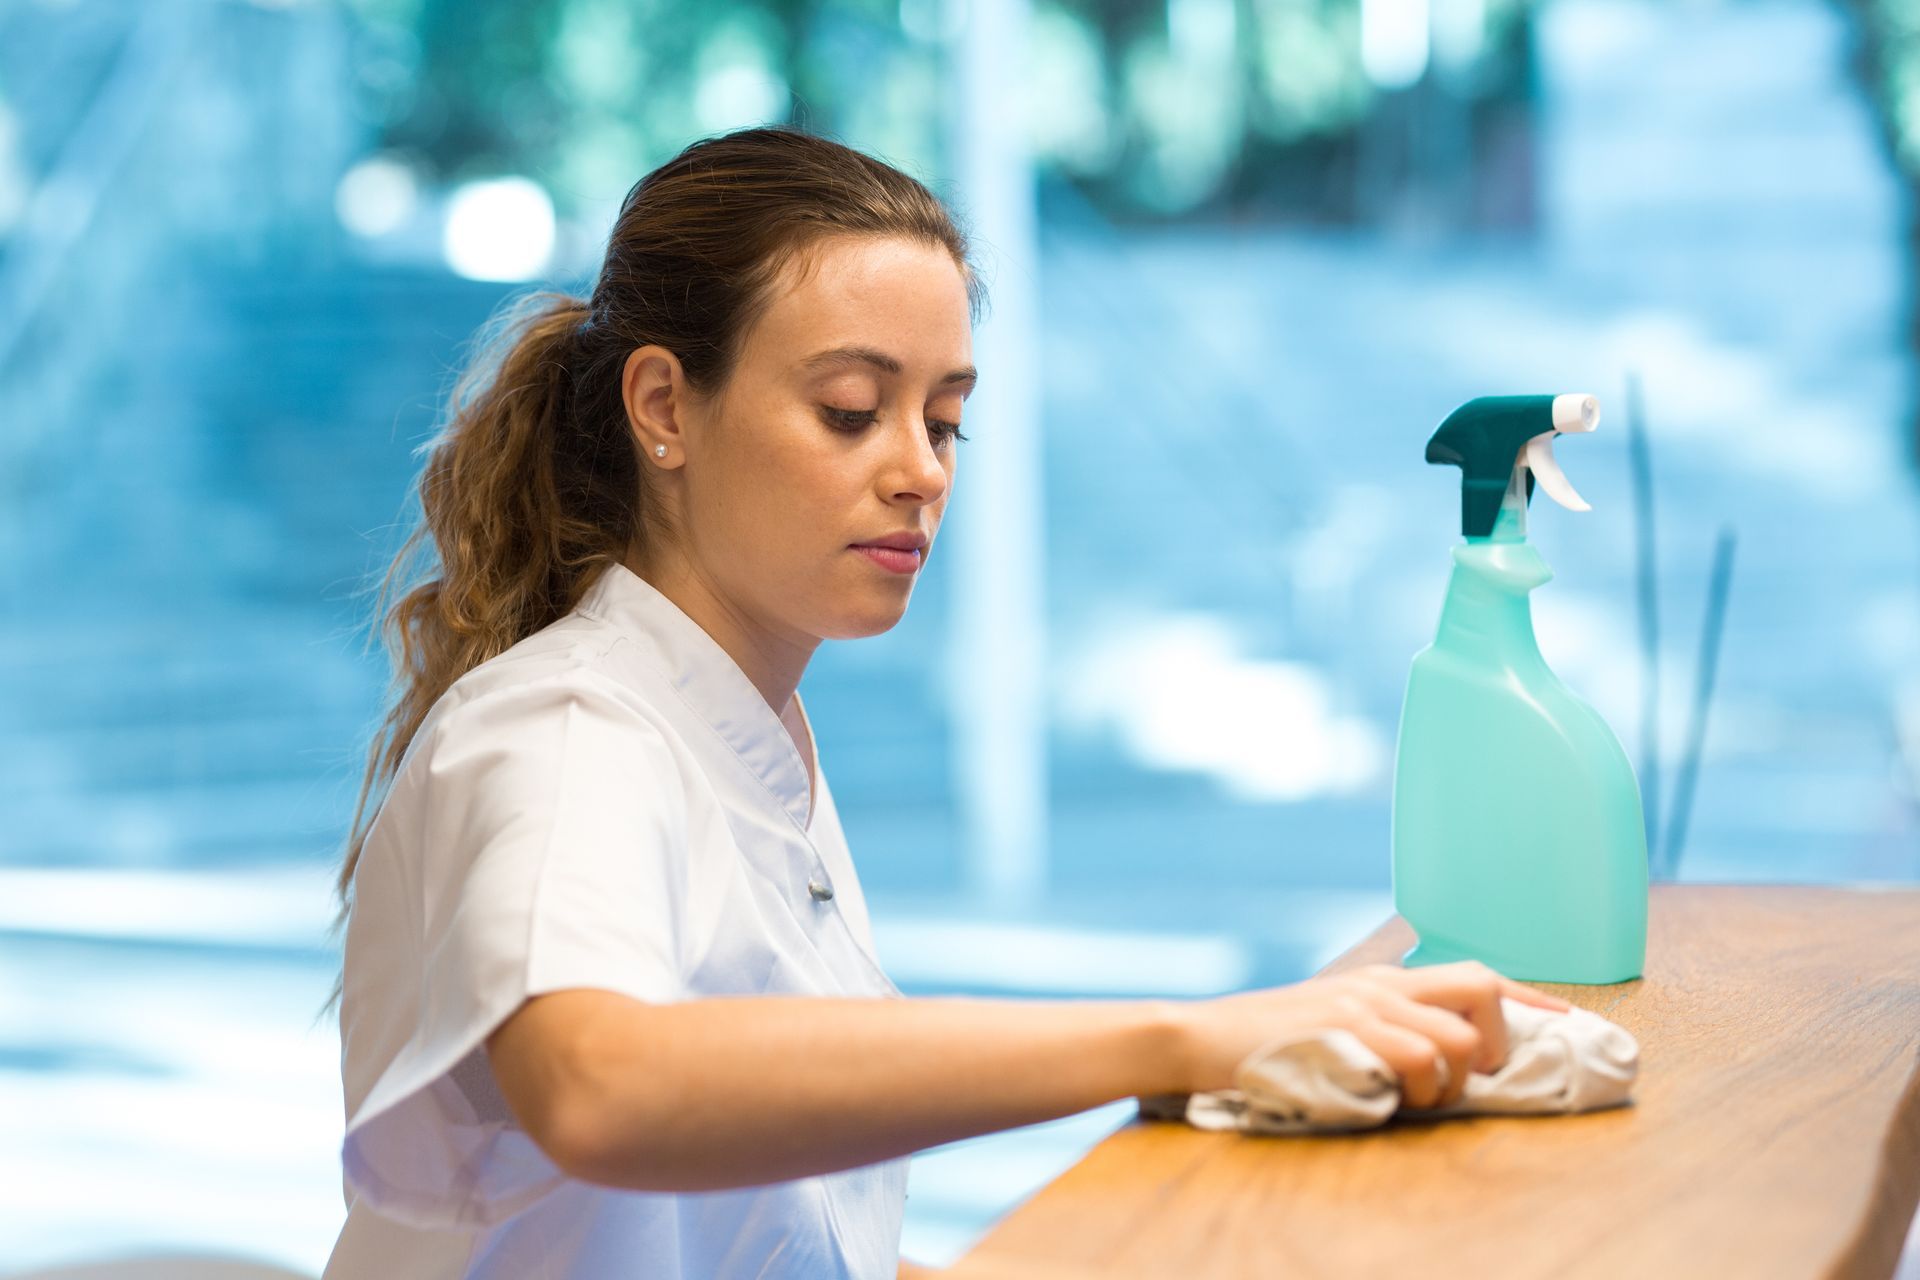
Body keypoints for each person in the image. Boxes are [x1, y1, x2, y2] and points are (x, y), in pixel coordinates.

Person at [317, 124, 1573, 1279]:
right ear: (664, 408)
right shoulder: (569, 734)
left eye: (947, 419)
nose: (919, 471)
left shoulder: (751, 729)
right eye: (851, 411)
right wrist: (1187, 1037)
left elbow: (767, 1232)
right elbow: (598, 1087)